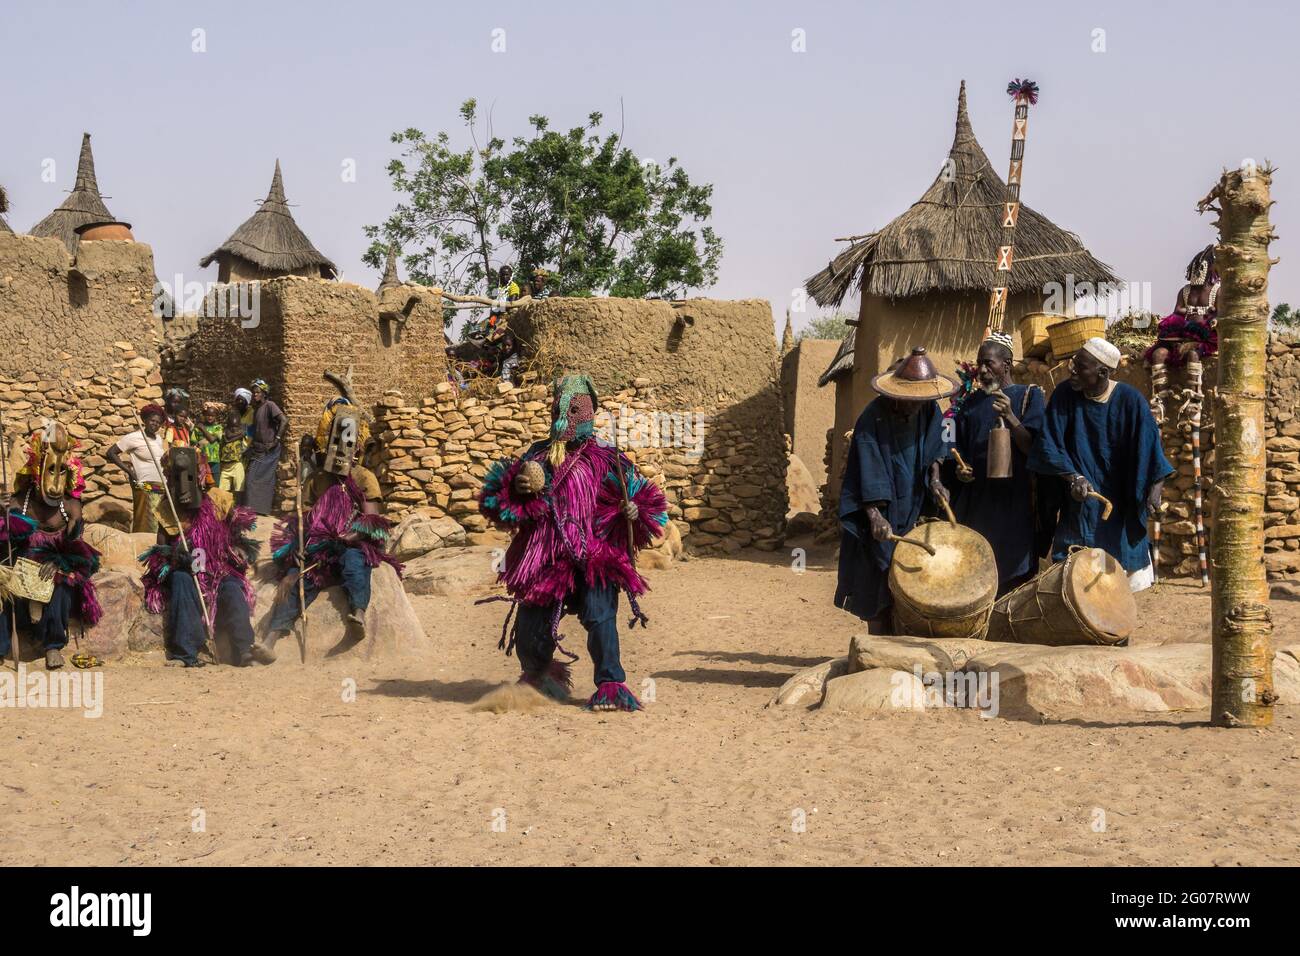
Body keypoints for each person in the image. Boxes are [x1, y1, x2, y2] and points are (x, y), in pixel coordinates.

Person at [478, 374, 669, 711]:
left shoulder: (609, 459)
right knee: (532, 624)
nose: (565, 416)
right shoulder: (537, 457)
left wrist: (634, 511)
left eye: (575, 409)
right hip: (547, 558)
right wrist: (518, 492)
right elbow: (500, 502)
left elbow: (651, 506)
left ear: (589, 413)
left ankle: (611, 684)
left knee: (600, 617)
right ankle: (538, 677)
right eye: (560, 408)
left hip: (595, 555)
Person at [1029, 337, 1173, 592]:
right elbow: (1048, 444)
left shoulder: (1130, 401)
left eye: (1081, 366)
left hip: (1120, 508)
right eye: (1073, 363)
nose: (1071, 370)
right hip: (1080, 506)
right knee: (1076, 583)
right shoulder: (1065, 394)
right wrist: (1073, 476)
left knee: (1115, 588)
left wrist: (1154, 490)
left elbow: (1151, 451)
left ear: (1103, 372)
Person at [259, 405, 398, 662]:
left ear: (357, 446)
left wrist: (353, 536)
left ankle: (358, 613)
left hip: (352, 542)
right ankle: (271, 639)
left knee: (355, 564)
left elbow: (372, 518)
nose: (343, 446)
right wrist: (300, 544)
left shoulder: (364, 477)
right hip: (319, 547)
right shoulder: (317, 479)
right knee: (295, 578)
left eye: (349, 441)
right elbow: (303, 517)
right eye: (337, 440)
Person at [835, 347, 953, 632]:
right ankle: (875, 655)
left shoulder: (928, 410)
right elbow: (865, 473)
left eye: (920, 400)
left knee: (912, 589)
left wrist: (935, 479)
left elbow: (936, 449)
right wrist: (875, 515)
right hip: (880, 513)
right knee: (877, 591)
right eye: (910, 400)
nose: (915, 405)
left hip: (912, 507)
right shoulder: (871, 420)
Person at [946, 331, 1046, 594]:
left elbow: (1034, 448)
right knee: (977, 571)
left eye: (989, 363)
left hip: (1015, 506)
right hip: (978, 506)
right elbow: (954, 448)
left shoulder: (1029, 396)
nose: (982, 369)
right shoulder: (969, 404)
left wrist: (1011, 417)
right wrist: (960, 469)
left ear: (1007, 364)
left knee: (1014, 577)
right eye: (980, 363)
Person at [139, 448, 258, 668]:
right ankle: (186, 653)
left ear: (200, 474)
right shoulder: (167, 510)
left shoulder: (218, 500)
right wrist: (175, 557)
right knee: (181, 582)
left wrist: (238, 549)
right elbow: (159, 553)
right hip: (188, 573)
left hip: (219, 571)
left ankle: (245, 649)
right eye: (176, 478)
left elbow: (236, 533)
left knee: (232, 588)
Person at [6, 421, 102, 669]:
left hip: (56, 567)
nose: (56, 480)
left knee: (62, 587)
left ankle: (53, 645)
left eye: (61, 472)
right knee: (5, 590)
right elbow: (6, 539)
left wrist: (58, 562)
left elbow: (77, 550)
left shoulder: (70, 506)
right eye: (50, 471)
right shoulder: (18, 501)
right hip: (23, 567)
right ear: (37, 471)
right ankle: (3, 646)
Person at [107, 404, 170, 533]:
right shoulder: (134, 437)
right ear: (145, 420)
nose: (155, 424)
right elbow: (111, 453)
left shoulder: (158, 439)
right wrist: (129, 471)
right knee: (146, 521)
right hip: (144, 485)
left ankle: (156, 549)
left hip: (160, 486)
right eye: (152, 421)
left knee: (159, 522)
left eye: (158, 423)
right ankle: (142, 547)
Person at [243, 379, 288, 515]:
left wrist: (276, 440)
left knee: (265, 480)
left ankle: (261, 509)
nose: (255, 394)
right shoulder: (257, 409)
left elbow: (284, 421)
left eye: (257, 392)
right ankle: (253, 509)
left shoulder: (270, 405)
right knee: (252, 479)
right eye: (254, 392)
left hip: (269, 450)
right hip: (258, 449)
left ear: (264, 393)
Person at [217, 405, 249, 495]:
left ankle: (238, 508)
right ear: (228, 425)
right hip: (225, 466)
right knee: (222, 491)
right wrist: (240, 435)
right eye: (231, 426)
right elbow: (226, 439)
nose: (233, 428)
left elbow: (245, 448)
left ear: (239, 425)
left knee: (239, 490)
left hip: (237, 465)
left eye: (236, 426)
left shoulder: (243, 434)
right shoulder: (223, 432)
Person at [193, 401, 225, 487]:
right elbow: (193, 442)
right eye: (207, 415)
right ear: (204, 415)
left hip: (214, 461)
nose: (210, 417)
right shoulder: (197, 429)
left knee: (214, 485)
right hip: (201, 461)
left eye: (212, 415)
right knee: (201, 484)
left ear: (216, 416)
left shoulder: (218, 428)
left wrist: (203, 428)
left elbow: (212, 439)